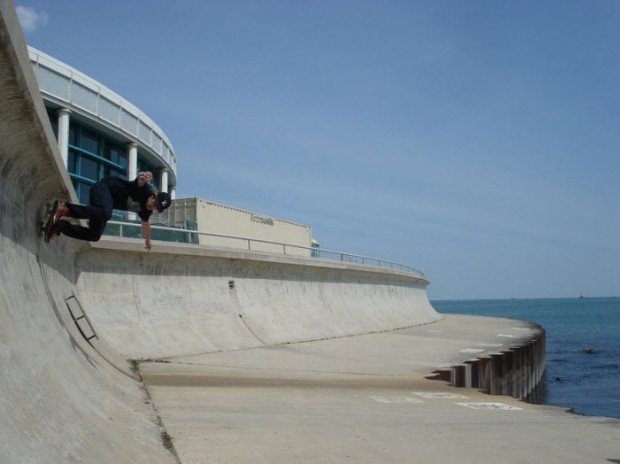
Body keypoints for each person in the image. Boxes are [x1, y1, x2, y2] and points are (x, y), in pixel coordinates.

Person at [48, 171, 171, 250]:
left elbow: (145, 224)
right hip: (103, 188)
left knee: (95, 235)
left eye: (156, 208)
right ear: (153, 196)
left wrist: (148, 240)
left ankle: (60, 226)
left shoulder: (147, 210)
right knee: (106, 213)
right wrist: (143, 176)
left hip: (102, 205)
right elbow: (140, 180)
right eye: (154, 203)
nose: (152, 207)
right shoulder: (145, 190)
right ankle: (65, 209)